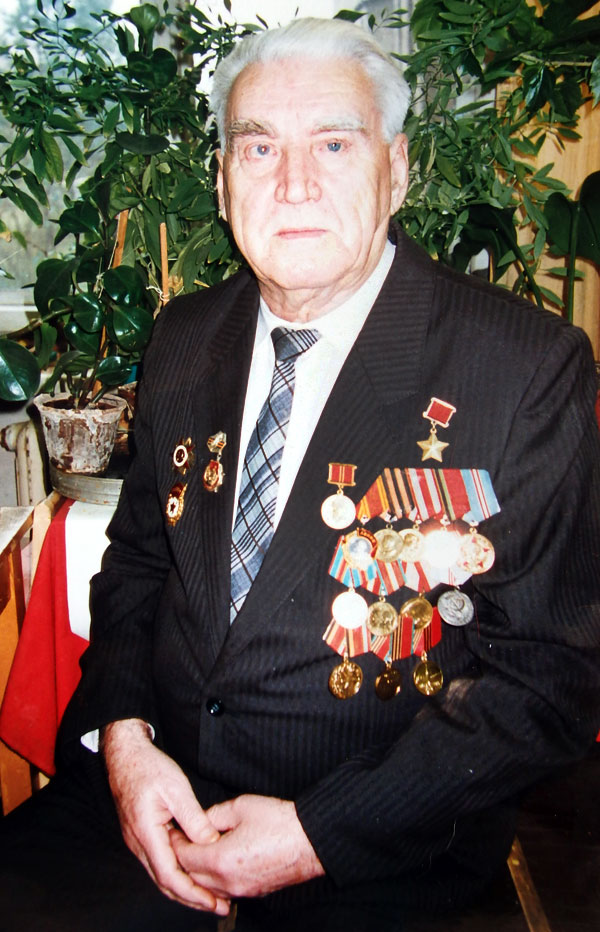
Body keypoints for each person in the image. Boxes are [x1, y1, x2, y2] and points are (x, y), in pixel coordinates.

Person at [1, 16, 600, 932]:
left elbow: (551, 675)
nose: (293, 183)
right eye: (258, 147)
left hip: (381, 845)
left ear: (397, 169)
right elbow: (138, 567)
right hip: (154, 797)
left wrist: (321, 833)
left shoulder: (521, 368)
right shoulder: (185, 337)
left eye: (333, 143)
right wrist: (124, 743)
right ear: (222, 181)